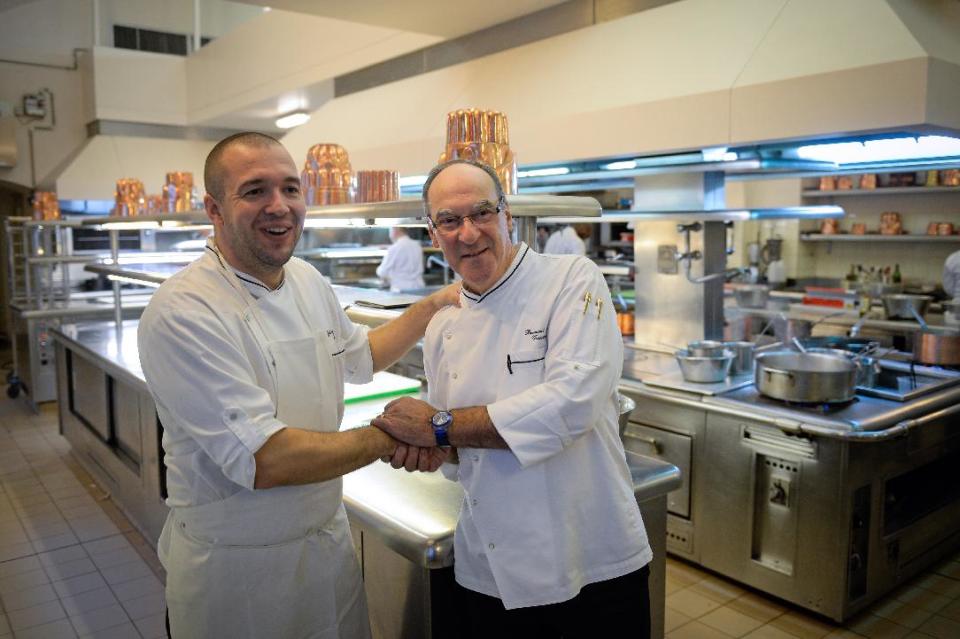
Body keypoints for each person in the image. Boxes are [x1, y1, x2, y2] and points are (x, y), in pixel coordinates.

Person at [137, 132, 455, 639]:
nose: (279, 207)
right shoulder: (184, 311)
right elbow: (266, 458)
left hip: (326, 552)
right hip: (237, 577)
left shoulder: (307, 280)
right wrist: (396, 434)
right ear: (214, 209)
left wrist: (433, 307)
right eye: (255, 191)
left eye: (290, 188)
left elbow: (360, 357)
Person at [373, 159, 652, 638]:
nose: (468, 233)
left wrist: (437, 428)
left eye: (481, 212)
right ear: (432, 232)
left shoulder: (571, 279)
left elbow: (572, 403)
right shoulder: (442, 325)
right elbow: (457, 445)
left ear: (505, 214)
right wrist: (426, 445)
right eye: (449, 220)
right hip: (489, 564)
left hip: (590, 558)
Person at [376, 226, 425, 291]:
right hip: (419, 288)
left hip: (401, 289)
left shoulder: (395, 248)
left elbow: (382, 272)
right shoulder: (417, 245)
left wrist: (382, 274)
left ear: (395, 230)